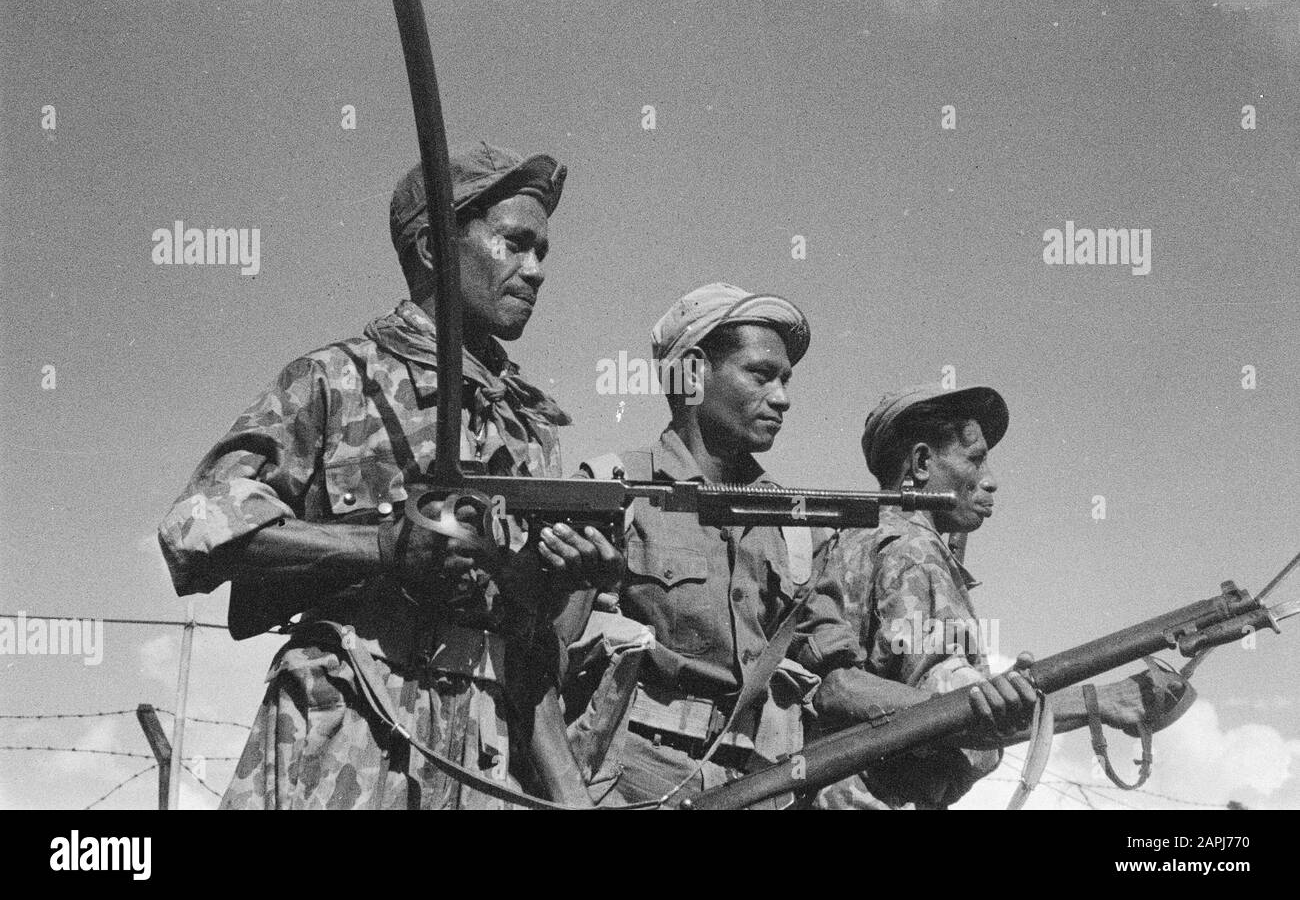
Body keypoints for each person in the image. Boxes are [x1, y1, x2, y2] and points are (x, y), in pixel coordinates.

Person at [158, 142, 618, 809]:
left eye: (542, 251)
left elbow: (528, 645)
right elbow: (193, 527)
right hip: (349, 726)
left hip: (485, 749)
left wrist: (555, 586)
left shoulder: (532, 431)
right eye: (515, 244)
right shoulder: (337, 381)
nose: (536, 270)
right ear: (434, 247)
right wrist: (378, 549)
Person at [558, 284, 1037, 807]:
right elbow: (541, 661)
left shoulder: (795, 528)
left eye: (786, 379)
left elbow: (835, 684)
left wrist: (969, 709)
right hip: (625, 783)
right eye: (761, 375)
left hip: (756, 788)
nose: (783, 397)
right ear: (693, 374)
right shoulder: (614, 491)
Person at [814, 383, 1193, 809]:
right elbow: (950, 712)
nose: (990, 481)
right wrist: (1102, 702)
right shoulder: (916, 552)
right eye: (974, 459)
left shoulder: (850, 541)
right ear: (921, 462)